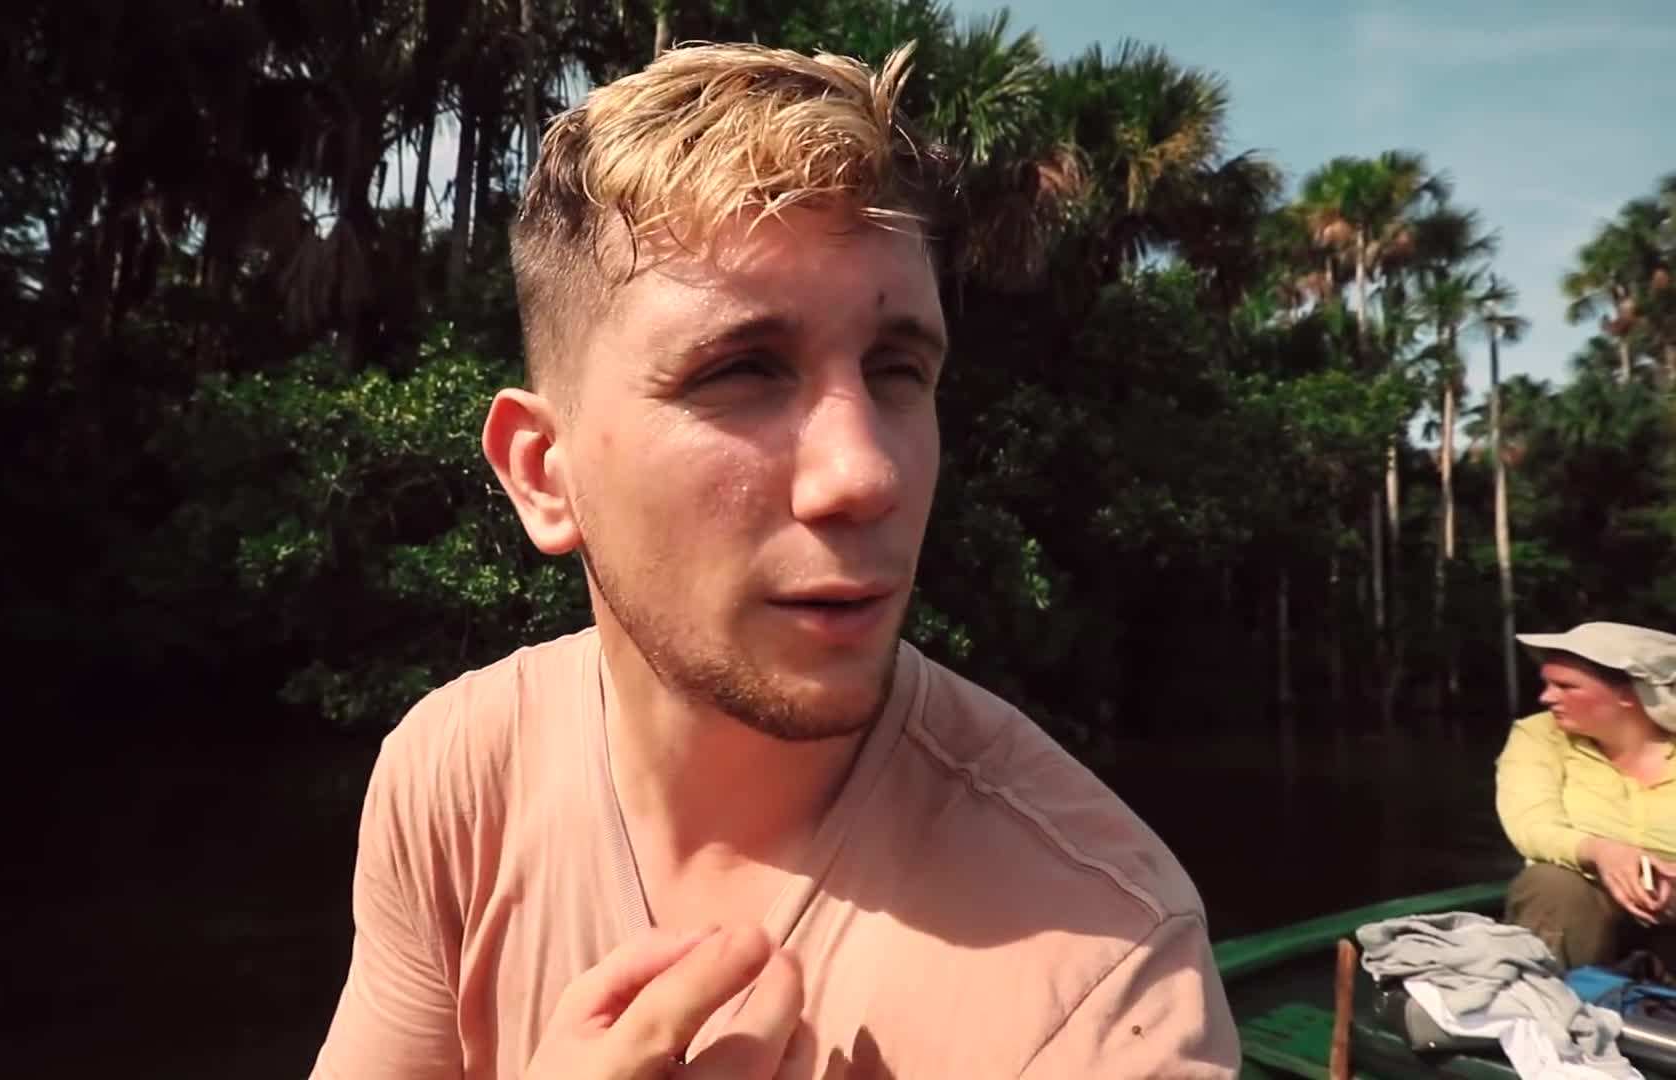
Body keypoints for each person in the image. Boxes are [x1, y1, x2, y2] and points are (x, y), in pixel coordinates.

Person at [308, 42, 1238, 1079]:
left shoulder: (1105, 975)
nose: (866, 475)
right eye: (741, 370)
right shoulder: (458, 778)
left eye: (897, 370)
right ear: (543, 474)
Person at [1496, 621, 1676, 973]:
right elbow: (1531, 826)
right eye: (1547, 684)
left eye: (1566, 686)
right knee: (1550, 883)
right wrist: (1601, 851)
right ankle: (1546, 1011)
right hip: (1586, 903)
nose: (1547, 697)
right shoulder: (1538, 736)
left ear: (1629, 694)